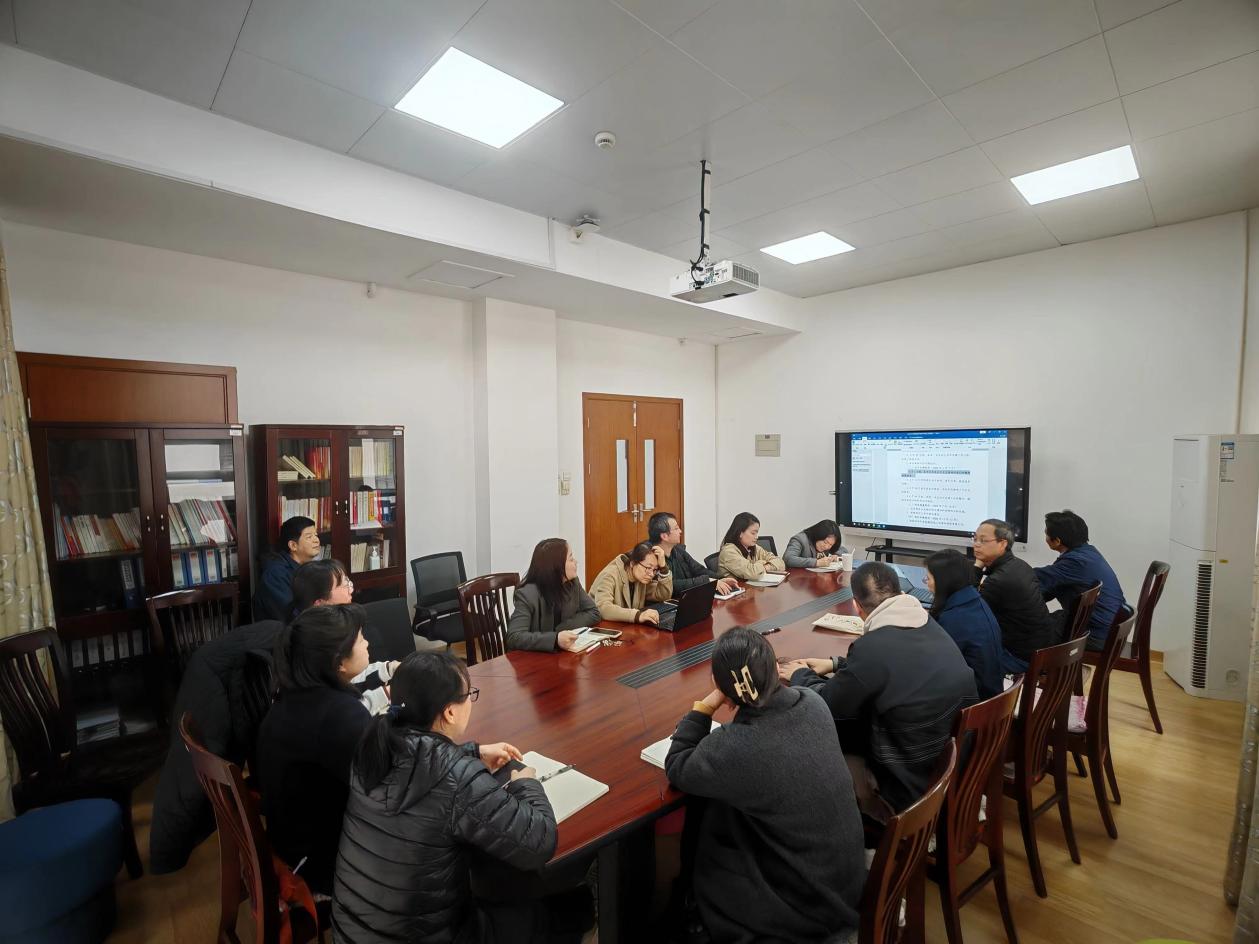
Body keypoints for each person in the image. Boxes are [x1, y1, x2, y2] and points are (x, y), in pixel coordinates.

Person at [332, 651, 589, 944]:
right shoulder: (456, 777)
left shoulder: (373, 750)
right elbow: (539, 842)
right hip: (433, 936)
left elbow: (419, 764)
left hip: (351, 932)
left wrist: (472, 752)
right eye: (469, 695)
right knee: (565, 907)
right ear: (450, 712)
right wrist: (526, 784)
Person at [664, 628, 864, 944]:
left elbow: (678, 766)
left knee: (709, 821)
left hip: (805, 909)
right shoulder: (812, 701)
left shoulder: (736, 747)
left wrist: (704, 708)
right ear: (775, 669)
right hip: (844, 882)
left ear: (721, 686)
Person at [780, 561, 977, 814]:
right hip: (948, 762)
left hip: (909, 781)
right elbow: (895, 665)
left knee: (820, 732)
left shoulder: (873, 646)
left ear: (856, 605)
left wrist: (800, 675)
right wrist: (837, 665)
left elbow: (829, 704)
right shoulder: (926, 623)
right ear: (899, 592)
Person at [256, 604, 373, 895]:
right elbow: (387, 783)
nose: (368, 643)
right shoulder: (339, 714)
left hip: (293, 844)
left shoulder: (289, 699)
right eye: (361, 639)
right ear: (338, 662)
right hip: (327, 863)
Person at [291, 558, 403, 715]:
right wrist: (386, 693)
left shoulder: (326, 632)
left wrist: (388, 669)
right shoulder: (312, 648)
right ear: (320, 604)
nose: (351, 589)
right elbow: (344, 711)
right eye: (344, 585)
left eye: (348, 581)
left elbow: (351, 677)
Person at [1033, 510, 1127, 652]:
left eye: (1046, 534)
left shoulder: (1075, 562)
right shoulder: (1088, 552)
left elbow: (1033, 577)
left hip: (1097, 635)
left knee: (1029, 632)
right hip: (1110, 627)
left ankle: (1034, 665)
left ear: (1057, 541)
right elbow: (1052, 584)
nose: (1045, 537)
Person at [972, 518, 1057, 674]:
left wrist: (977, 566)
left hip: (1020, 658)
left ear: (1002, 544)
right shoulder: (1019, 565)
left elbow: (970, 610)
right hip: (1041, 649)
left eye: (983, 540)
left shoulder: (999, 580)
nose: (976, 544)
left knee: (961, 655)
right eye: (975, 538)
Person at [924, 549, 1004, 699]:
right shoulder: (973, 600)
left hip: (974, 700)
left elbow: (935, 665)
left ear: (943, 581)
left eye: (928, 578)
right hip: (990, 691)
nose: (926, 583)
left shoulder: (954, 618)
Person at [505, 538, 600, 652]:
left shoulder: (572, 583)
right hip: (534, 657)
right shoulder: (527, 594)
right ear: (556, 566)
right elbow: (514, 637)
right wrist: (555, 639)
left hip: (564, 654)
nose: (575, 562)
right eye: (571, 559)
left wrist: (561, 630)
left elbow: (593, 613)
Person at [646, 511, 737, 596]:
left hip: (686, 597)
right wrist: (707, 581)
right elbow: (669, 585)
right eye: (676, 528)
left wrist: (719, 579)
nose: (680, 531)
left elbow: (698, 569)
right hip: (664, 603)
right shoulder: (649, 557)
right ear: (664, 536)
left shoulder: (678, 550)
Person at [255, 515, 322, 621]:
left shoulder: (309, 568)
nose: (316, 540)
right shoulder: (276, 574)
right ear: (293, 545)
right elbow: (292, 616)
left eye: (316, 535)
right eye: (309, 537)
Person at [590, 542, 673, 624]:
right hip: (598, 626)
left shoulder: (640, 578)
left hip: (622, 626)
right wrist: (638, 615)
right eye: (648, 567)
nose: (651, 574)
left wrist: (663, 568)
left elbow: (663, 595)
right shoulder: (610, 575)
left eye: (655, 569)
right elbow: (603, 609)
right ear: (632, 563)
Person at [716, 513, 786, 580]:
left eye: (757, 533)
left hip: (753, 587)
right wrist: (762, 562)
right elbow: (753, 573)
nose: (756, 537)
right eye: (753, 533)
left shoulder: (753, 548)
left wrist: (765, 567)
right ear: (740, 533)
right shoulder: (728, 552)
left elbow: (780, 562)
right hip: (736, 588)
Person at [783, 519, 849, 569]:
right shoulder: (800, 539)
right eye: (825, 542)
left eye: (830, 545)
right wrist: (816, 563)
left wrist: (836, 555)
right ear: (818, 535)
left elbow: (843, 551)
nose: (826, 547)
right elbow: (788, 559)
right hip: (799, 579)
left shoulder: (828, 543)